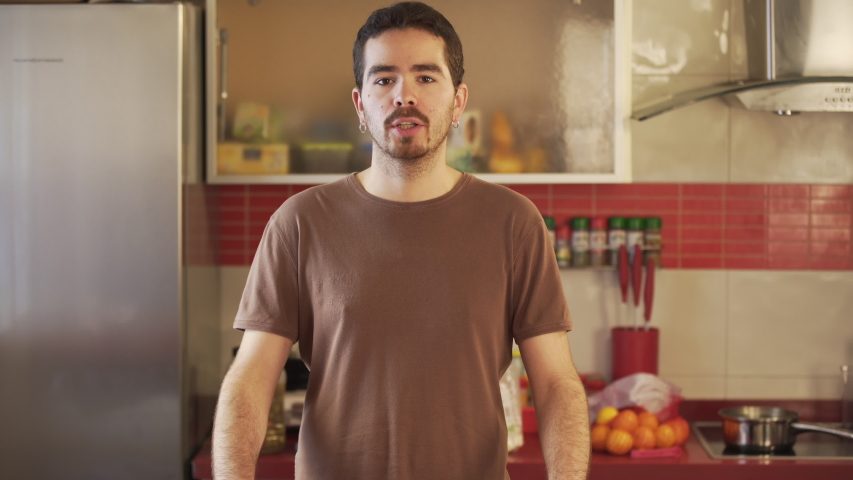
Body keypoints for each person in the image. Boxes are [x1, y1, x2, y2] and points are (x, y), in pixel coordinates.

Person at [212, 3, 590, 479]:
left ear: (458, 102)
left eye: (426, 78)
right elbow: (249, 381)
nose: (403, 96)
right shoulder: (299, 223)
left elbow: (556, 383)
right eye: (384, 78)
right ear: (360, 104)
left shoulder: (514, 223)